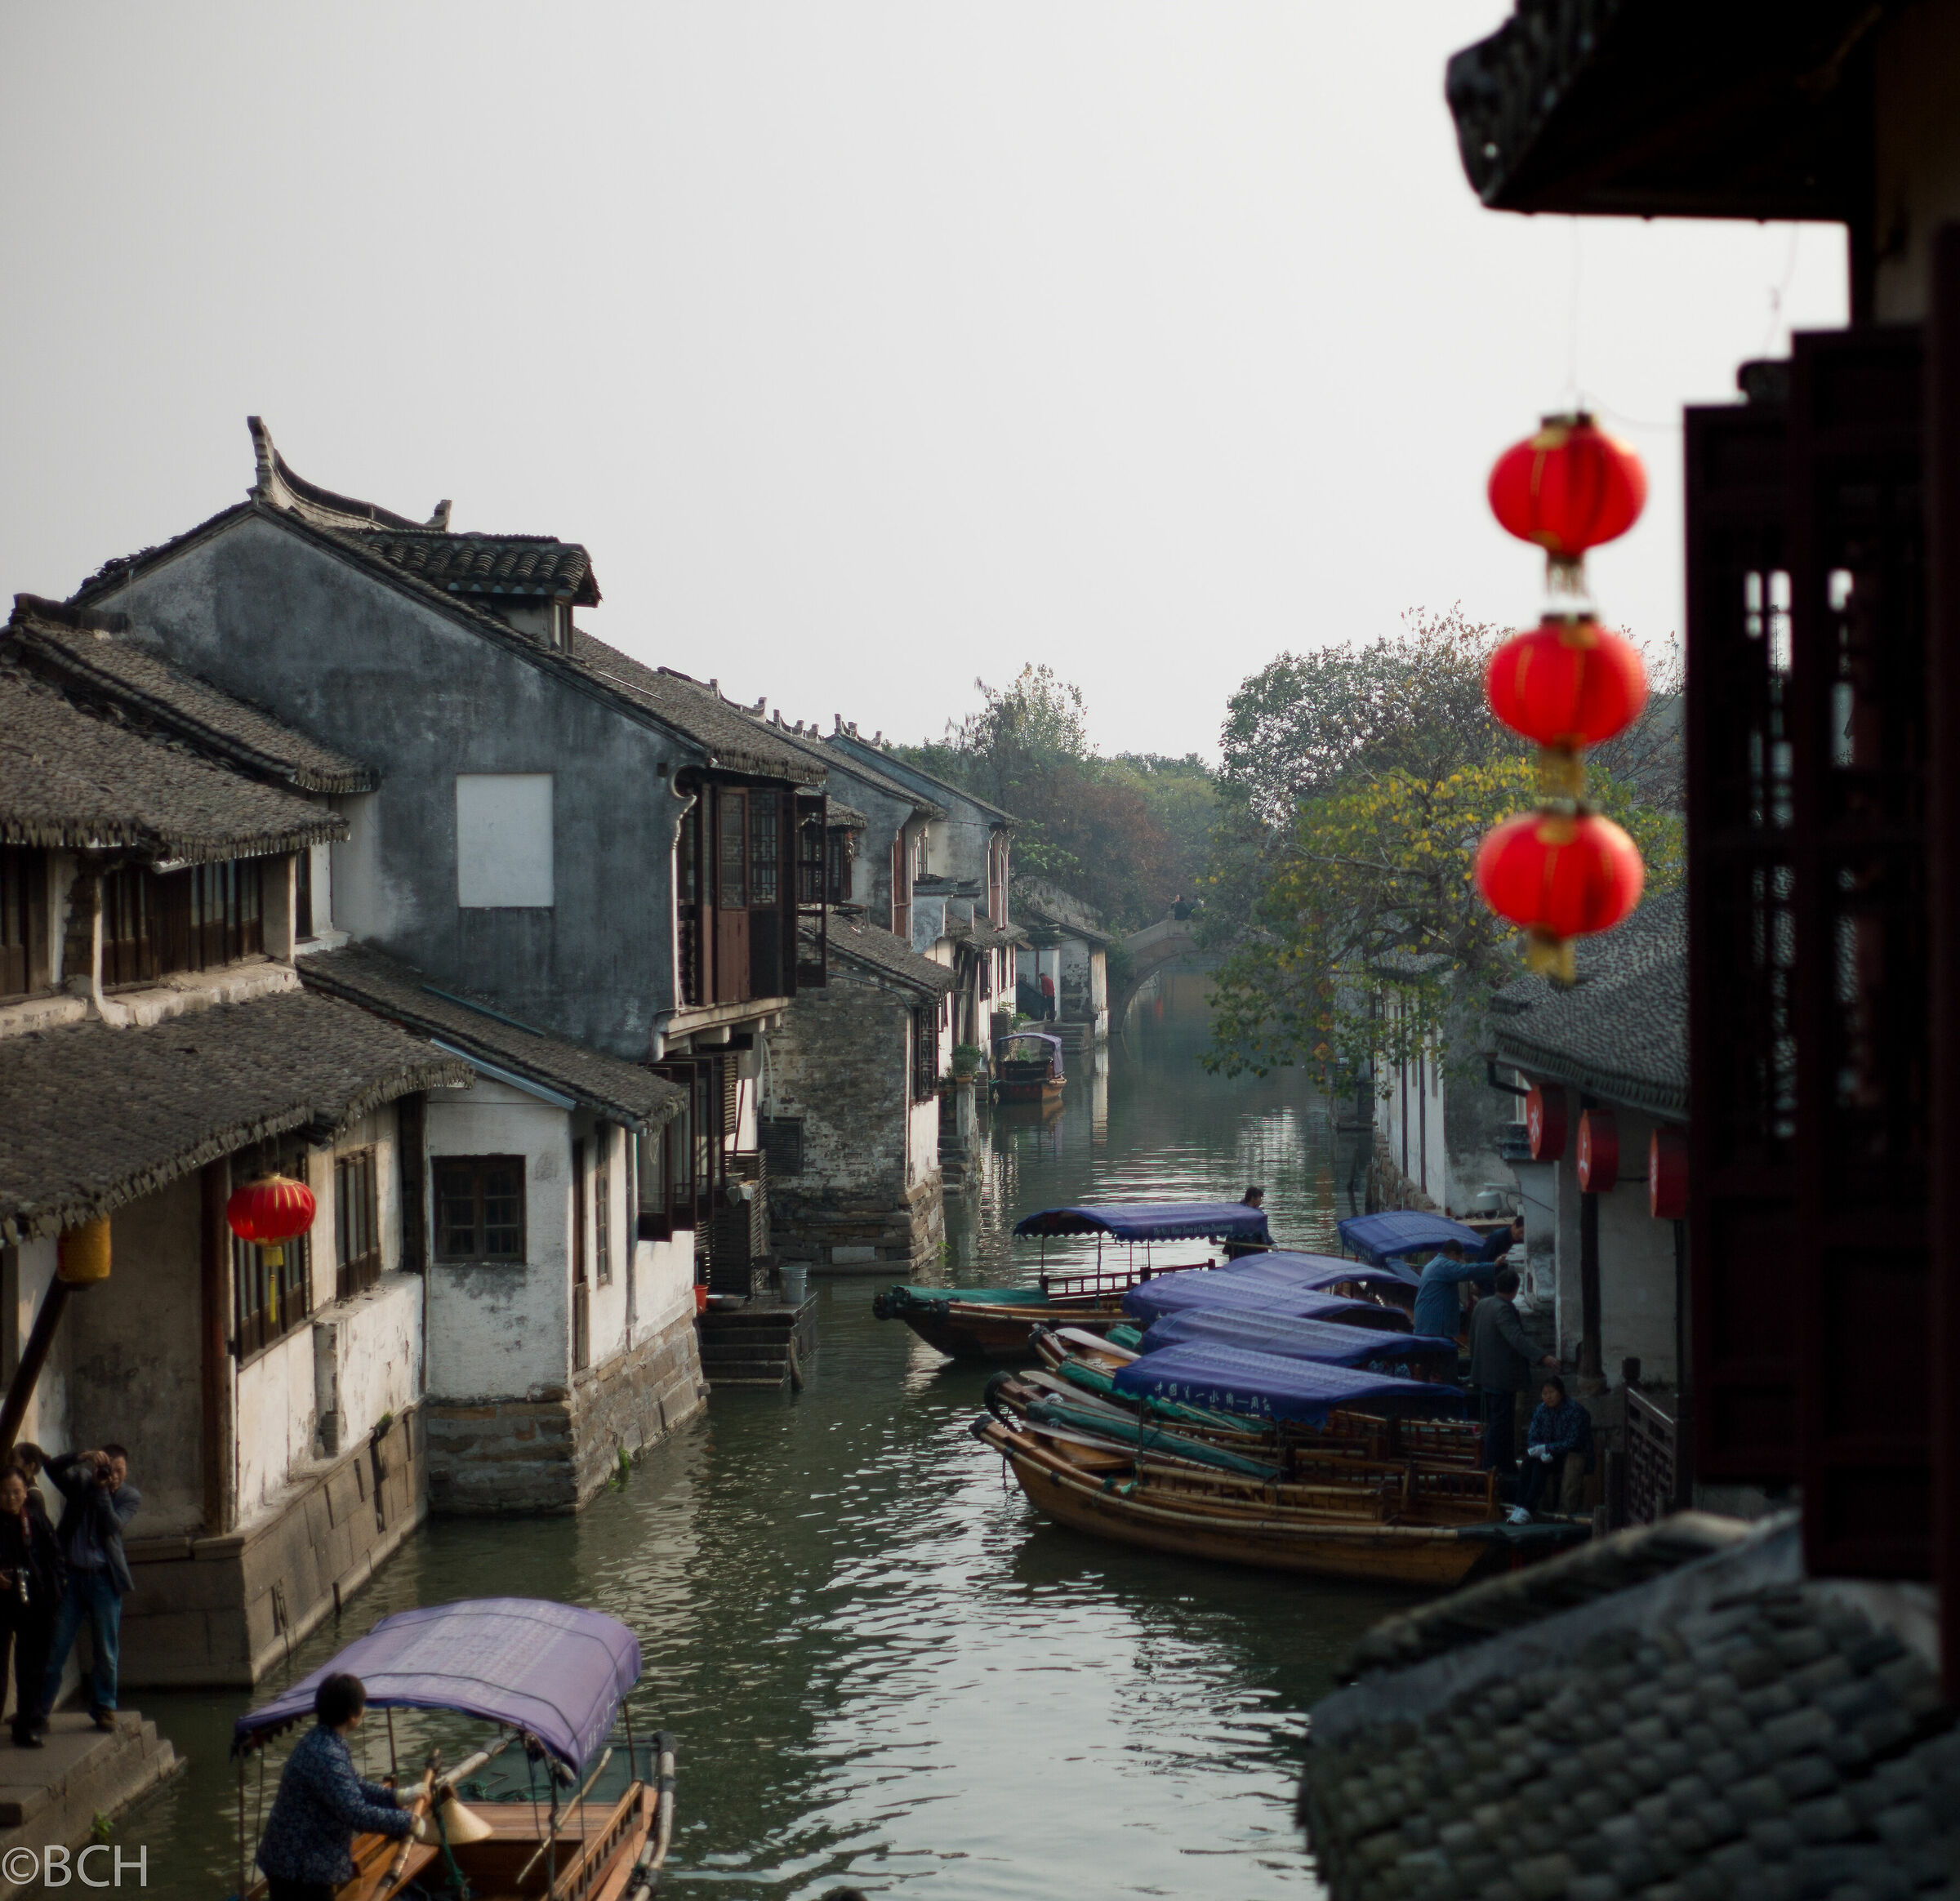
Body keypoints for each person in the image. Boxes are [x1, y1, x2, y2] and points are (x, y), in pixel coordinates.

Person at [256, 1672, 423, 1901]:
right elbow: (355, 1814)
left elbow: (356, 1785)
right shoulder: (326, 1754)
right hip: (300, 1869)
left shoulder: (322, 1741)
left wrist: (400, 1796)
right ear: (351, 1716)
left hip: (294, 1862)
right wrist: (408, 1821)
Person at [38, 1447, 140, 1732]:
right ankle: (41, 1710)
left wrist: (102, 1492)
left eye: (119, 1471)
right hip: (72, 1577)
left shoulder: (129, 1497)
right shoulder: (81, 1483)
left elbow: (111, 1525)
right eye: (110, 1469)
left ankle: (105, 1707)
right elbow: (52, 1469)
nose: (114, 1476)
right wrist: (79, 1457)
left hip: (105, 1581)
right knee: (56, 1647)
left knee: (106, 1650)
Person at [1467, 1268, 1559, 1476]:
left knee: (1497, 1424)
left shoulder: (1482, 1305)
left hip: (1485, 1375)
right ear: (1516, 1289)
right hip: (1500, 1378)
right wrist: (1543, 1357)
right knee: (1500, 1426)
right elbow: (1516, 1338)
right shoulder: (1503, 1309)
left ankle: (1502, 1466)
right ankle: (1492, 1470)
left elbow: (1473, 1338)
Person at [0, 1465, 60, 1747]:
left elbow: (54, 1558)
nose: (11, 1498)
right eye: (4, 1493)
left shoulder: (35, 1520)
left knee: (30, 1668)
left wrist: (55, 1595)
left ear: (26, 1493)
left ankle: (26, 1725)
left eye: (16, 1492)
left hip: (31, 1604)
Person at [1510, 1375, 1592, 1522]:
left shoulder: (1574, 1411)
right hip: (1545, 1454)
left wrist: (1548, 1448)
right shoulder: (1541, 1410)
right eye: (1544, 1394)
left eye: (1551, 1392)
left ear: (1560, 1392)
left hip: (1567, 1456)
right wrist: (1538, 1449)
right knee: (1529, 1463)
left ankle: (1528, 1508)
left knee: (1540, 1467)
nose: (1548, 1397)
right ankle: (1519, 1505)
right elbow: (1532, 1435)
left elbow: (1572, 1442)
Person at [1411, 1241, 1482, 1342]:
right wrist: (1493, 1267)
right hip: (1436, 1325)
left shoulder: (1432, 1265)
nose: (1459, 1261)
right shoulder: (1445, 1266)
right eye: (1459, 1257)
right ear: (1453, 1254)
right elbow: (1466, 1272)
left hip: (1429, 1322)